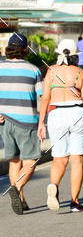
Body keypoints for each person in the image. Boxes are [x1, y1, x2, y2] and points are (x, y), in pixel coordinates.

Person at [37, 40, 83, 213]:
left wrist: (41, 123)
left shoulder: (51, 71)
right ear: (75, 56)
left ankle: (54, 186)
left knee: (59, 159)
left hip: (56, 114)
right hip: (77, 114)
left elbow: (45, 98)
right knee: (77, 160)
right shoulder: (80, 72)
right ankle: (74, 202)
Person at [0, 32, 43, 215]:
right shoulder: (33, 70)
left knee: (14, 161)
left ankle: (21, 200)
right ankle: (16, 188)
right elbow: (43, 97)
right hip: (26, 121)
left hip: (4, 121)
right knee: (31, 162)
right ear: (25, 50)